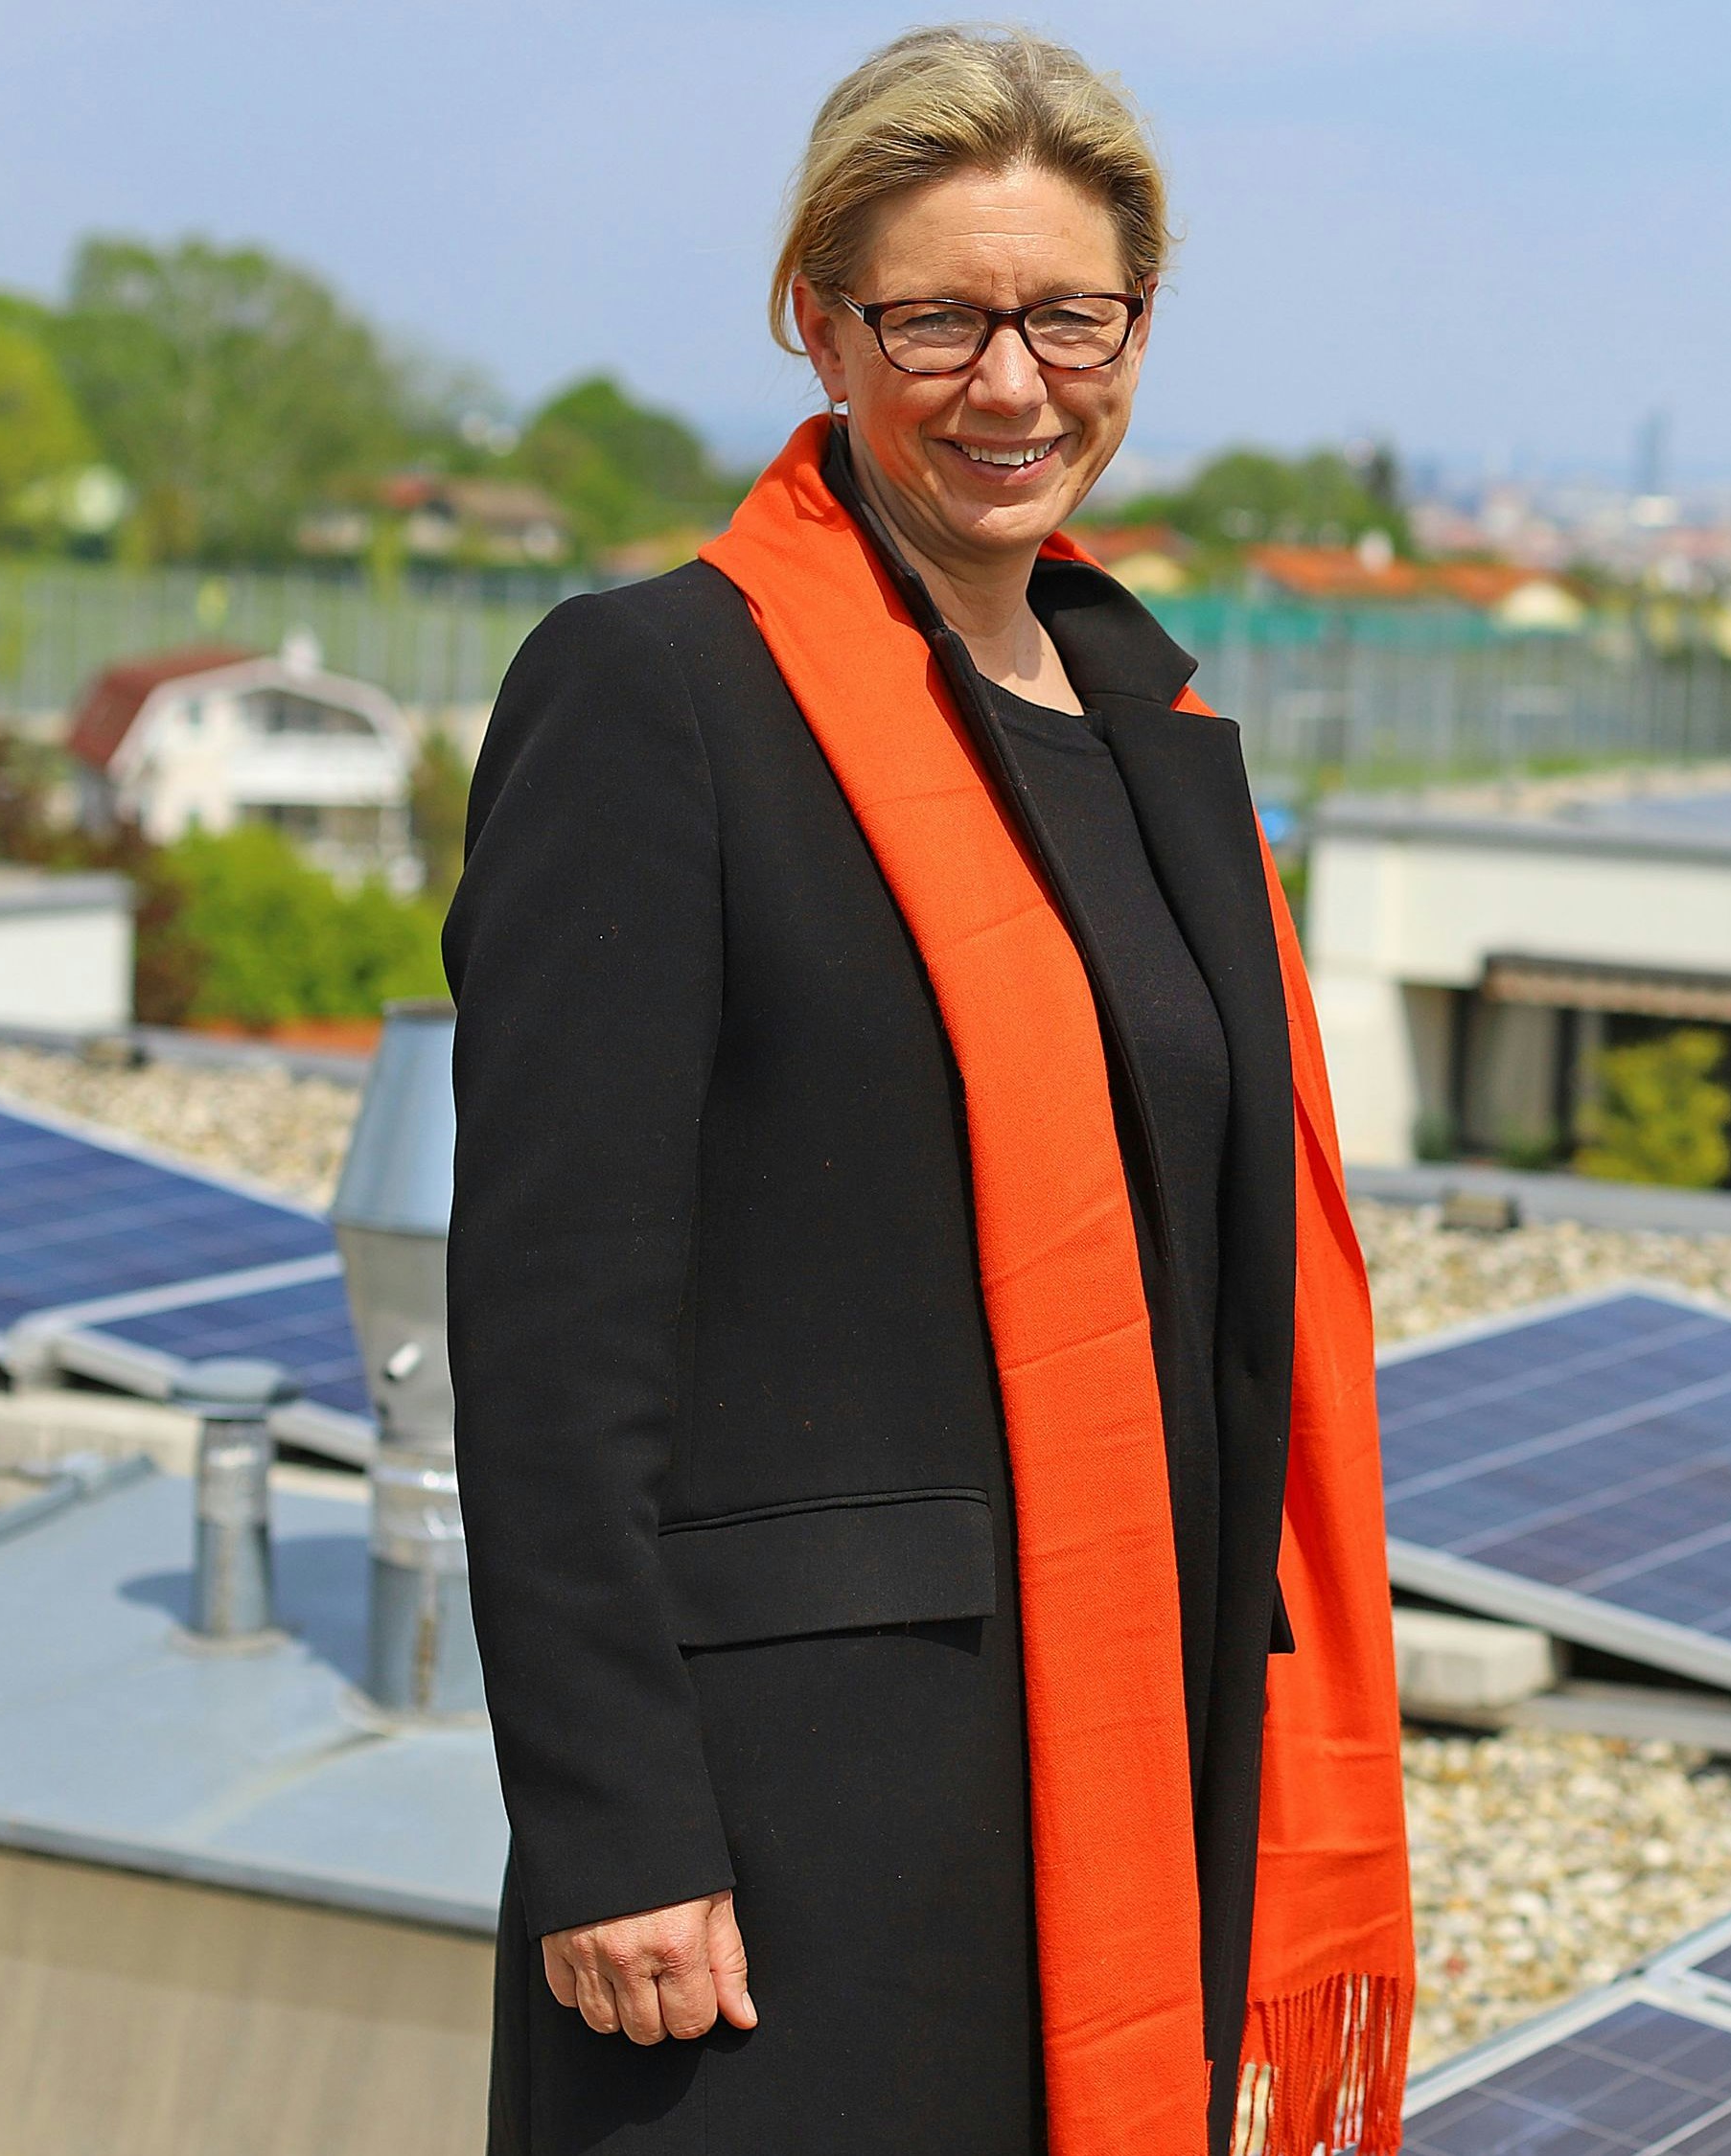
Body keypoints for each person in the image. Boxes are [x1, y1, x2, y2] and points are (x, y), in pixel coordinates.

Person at [447, 28, 1414, 2155]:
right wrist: (614, 1822)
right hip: (783, 1838)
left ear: (1136, 326)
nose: (1012, 383)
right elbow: (543, 1330)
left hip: (1128, 1763)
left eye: (1071, 316)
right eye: (939, 318)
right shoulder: (654, 694)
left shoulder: (1156, 724)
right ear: (817, 316)